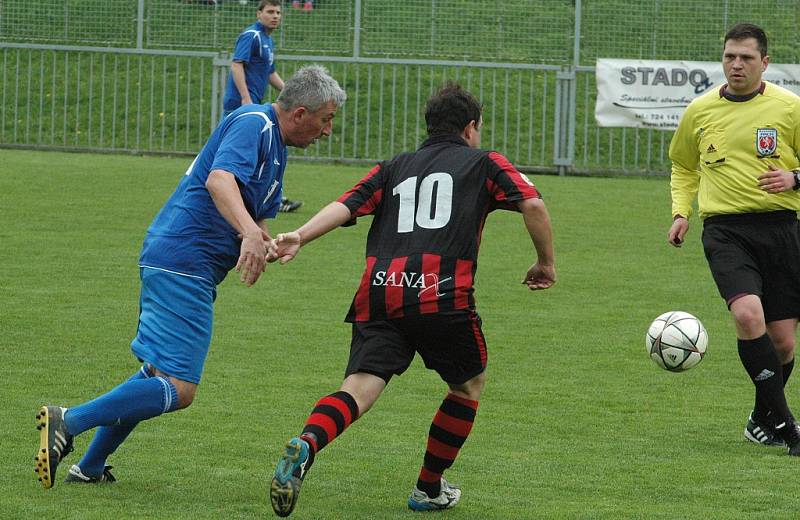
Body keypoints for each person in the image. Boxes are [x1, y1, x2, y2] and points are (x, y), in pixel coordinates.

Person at [33, 65, 346, 489]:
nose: (328, 130)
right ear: (299, 113)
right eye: (326, 119)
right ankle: (68, 420)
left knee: (156, 375)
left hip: (184, 260)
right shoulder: (254, 122)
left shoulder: (277, 150)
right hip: (184, 258)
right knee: (179, 389)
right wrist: (250, 234)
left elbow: (253, 219)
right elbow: (219, 181)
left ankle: (88, 467)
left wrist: (266, 242)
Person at [266, 84, 556, 517]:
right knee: (467, 385)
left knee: (359, 387)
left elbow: (347, 204)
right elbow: (532, 203)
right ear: (470, 127)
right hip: (441, 293)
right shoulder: (484, 163)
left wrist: (300, 236)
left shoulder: (393, 167)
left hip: (380, 290)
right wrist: (545, 263)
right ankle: (428, 489)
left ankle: (307, 443)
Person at [668, 23, 800, 454]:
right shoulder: (701, 111)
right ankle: (787, 427)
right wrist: (680, 211)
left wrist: (793, 177)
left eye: (745, 57)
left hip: (781, 229)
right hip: (726, 231)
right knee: (747, 315)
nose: (736, 64)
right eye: (729, 56)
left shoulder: (789, 108)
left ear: (765, 62)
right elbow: (684, 166)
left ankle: (761, 419)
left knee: (782, 342)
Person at [222, 0, 303, 213]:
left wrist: (291, 94)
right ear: (259, 14)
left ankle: (270, 197)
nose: (275, 15)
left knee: (262, 153)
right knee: (235, 152)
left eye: (278, 12)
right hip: (241, 106)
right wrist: (245, 98)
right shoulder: (252, 35)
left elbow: (269, 73)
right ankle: (225, 194)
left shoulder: (267, 40)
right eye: (270, 11)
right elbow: (237, 64)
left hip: (253, 106)